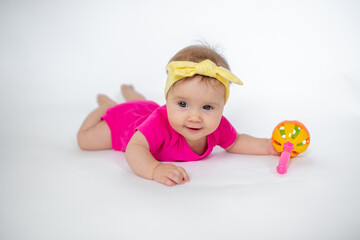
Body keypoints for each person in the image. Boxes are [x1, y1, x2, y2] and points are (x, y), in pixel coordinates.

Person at [77, 45, 278, 186]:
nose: (195, 117)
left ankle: (131, 94)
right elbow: (134, 148)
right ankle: (106, 106)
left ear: (222, 105)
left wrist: (268, 145)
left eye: (207, 107)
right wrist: (155, 170)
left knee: (142, 103)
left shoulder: (217, 127)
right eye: (182, 104)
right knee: (84, 140)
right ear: (168, 98)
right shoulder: (158, 122)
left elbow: (236, 142)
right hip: (124, 124)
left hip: (146, 108)